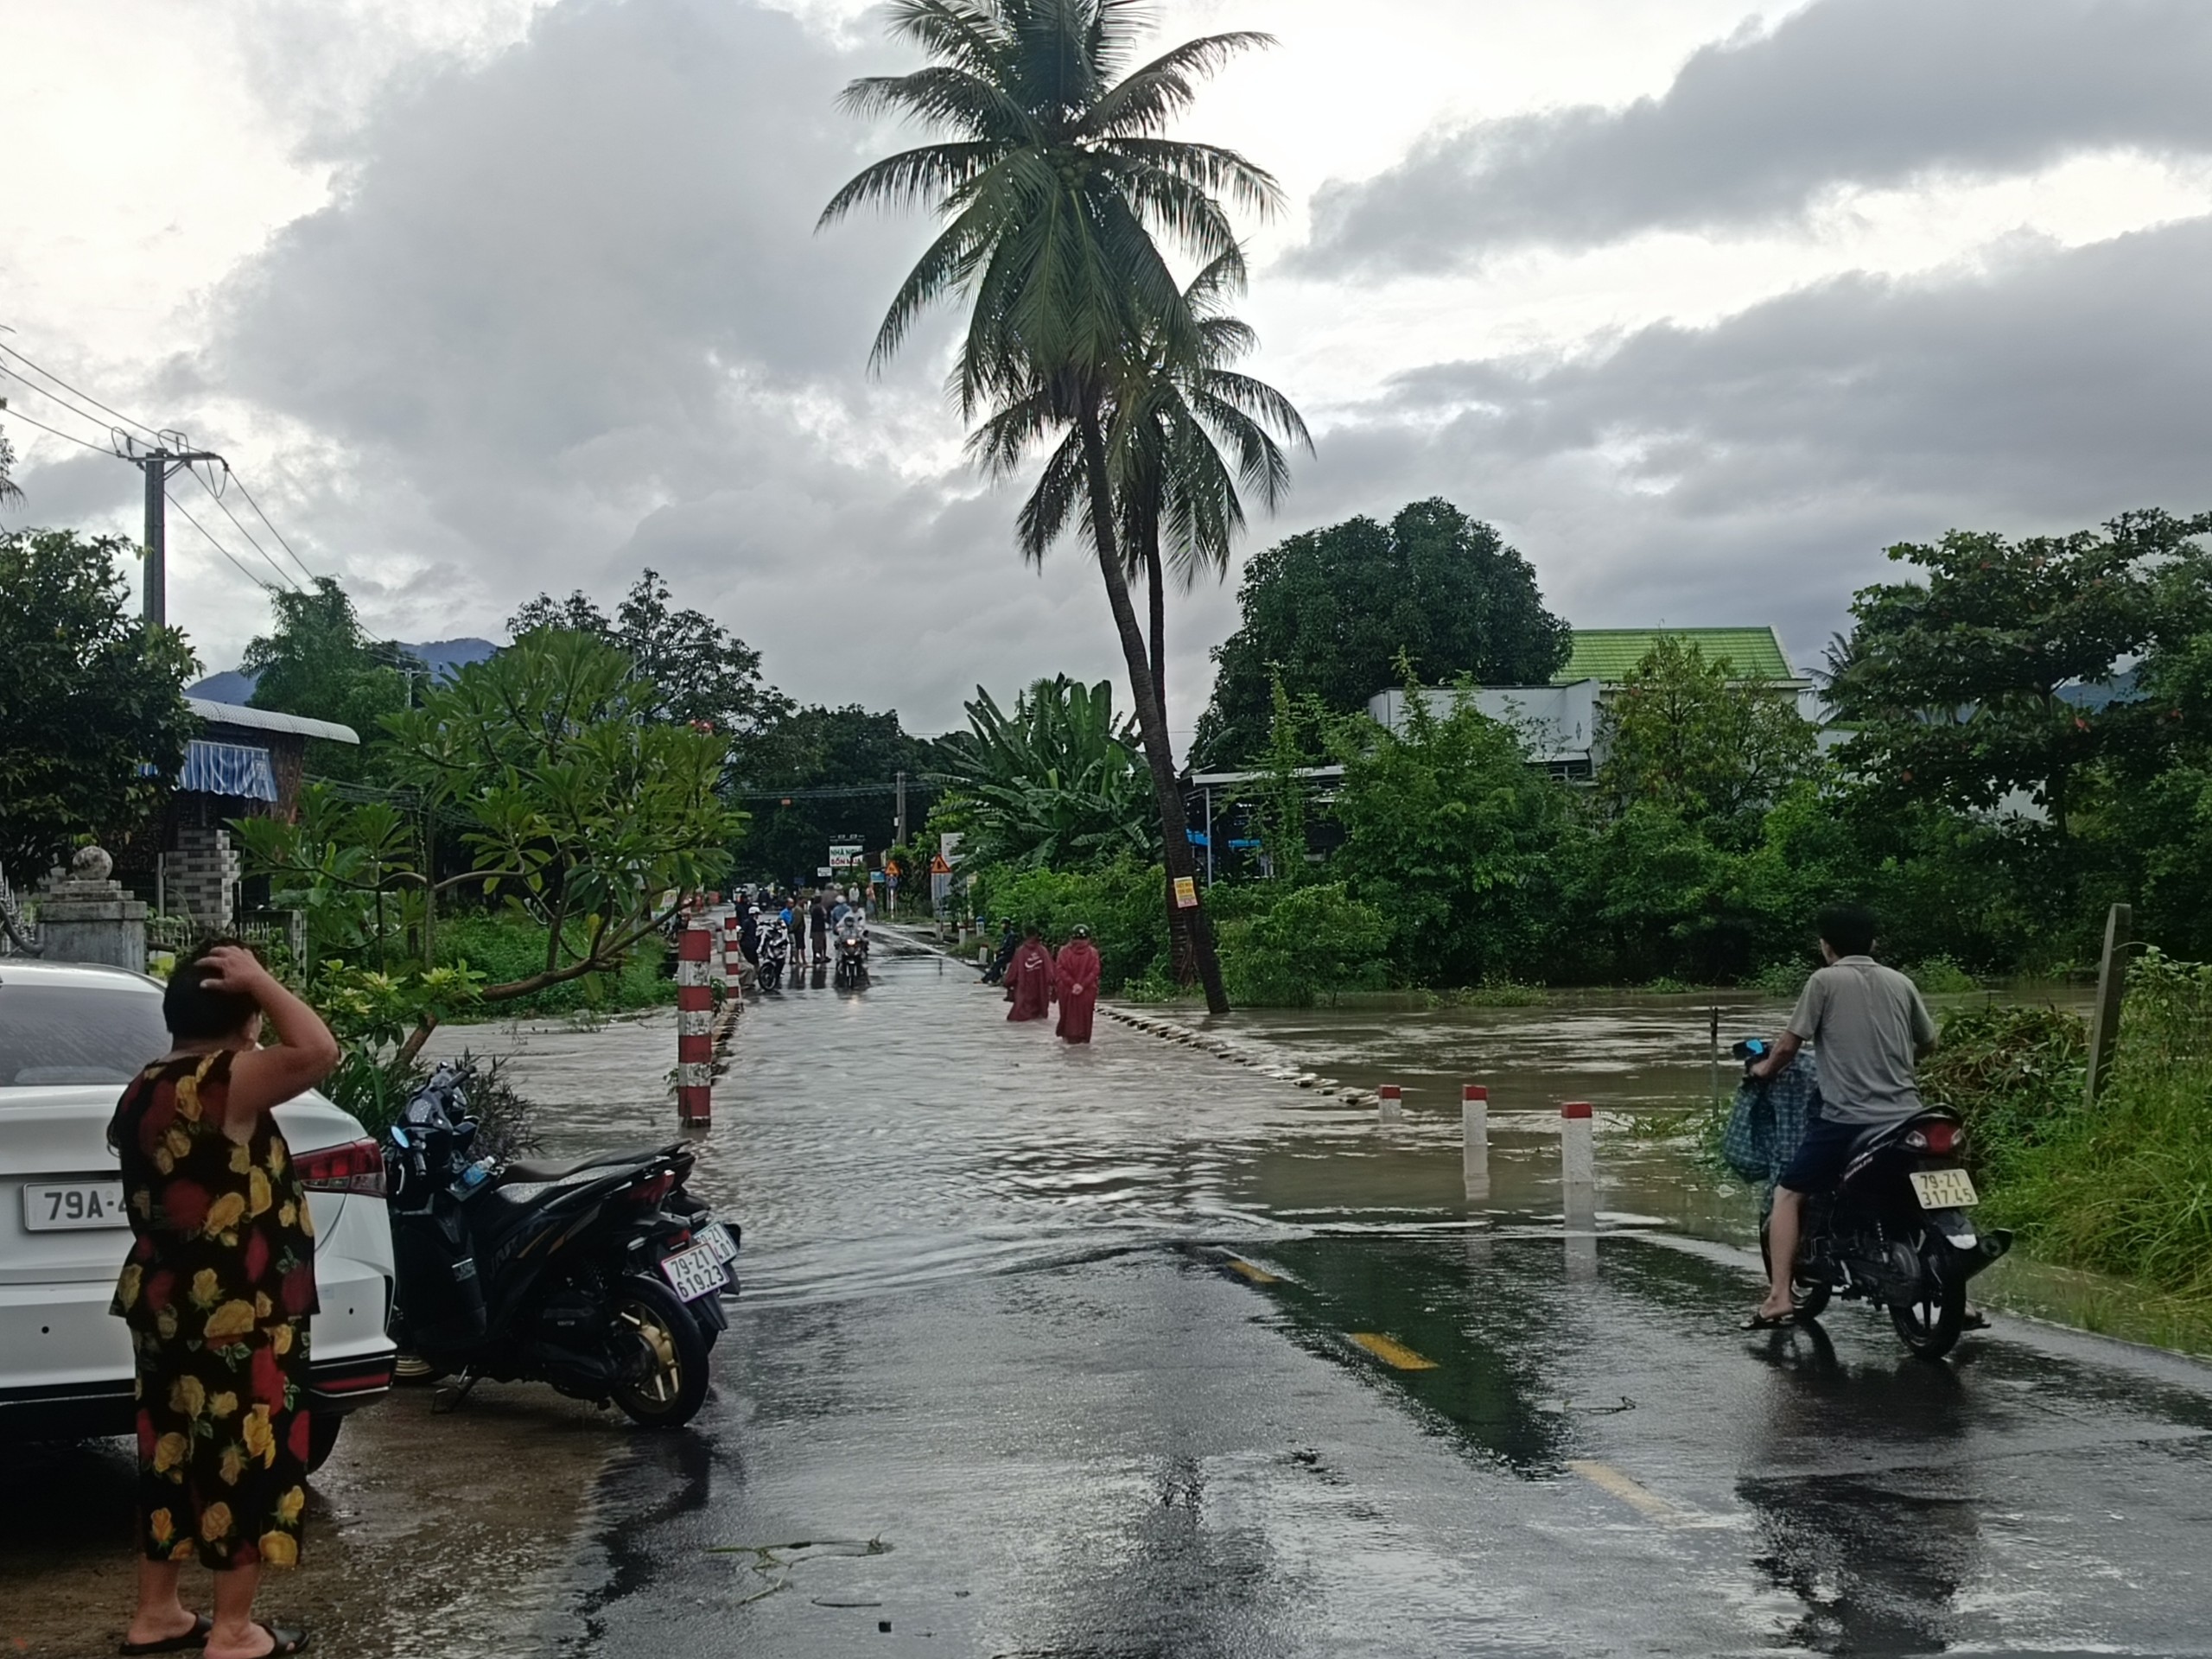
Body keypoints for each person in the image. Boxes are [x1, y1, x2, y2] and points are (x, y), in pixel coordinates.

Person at [111, 942, 339, 1659]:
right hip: (237, 1313)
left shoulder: (146, 1084)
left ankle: (159, 1614)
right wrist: (261, 982)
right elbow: (320, 1050)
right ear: (243, 1021)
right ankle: (235, 1632)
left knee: (171, 1454)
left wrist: (247, 995)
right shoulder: (228, 1078)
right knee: (243, 1456)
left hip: (165, 1305)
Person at [1746, 905, 1938, 1328]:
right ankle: (1963, 1301)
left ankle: (1779, 1295)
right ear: (1874, 943)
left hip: (1847, 1119)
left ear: (1825, 945)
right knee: (1926, 1194)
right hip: (1910, 1117)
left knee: (1788, 1193)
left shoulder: (1824, 981)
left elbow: (1786, 1048)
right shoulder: (1901, 982)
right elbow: (1928, 1042)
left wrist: (1761, 1070)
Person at [1054, 924, 1101, 1044]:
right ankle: (1083, 1041)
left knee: (1067, 1017)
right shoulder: (1093, 953)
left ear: (1072, 938)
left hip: (1067, 991)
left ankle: (1068, 1040)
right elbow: (1095, 971)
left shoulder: (1063, 952)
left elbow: (1060, 969)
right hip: (1087, 991)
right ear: (1088, 938)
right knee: (1085, 1019)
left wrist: (1072, 984)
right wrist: (1082, 985)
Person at [1005, 924, 1056, 1022]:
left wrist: (1008, 982)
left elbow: (1013, 971)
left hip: (1024, 988)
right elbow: (1051, 971)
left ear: (1025, 935)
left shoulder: (1020, 952)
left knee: (1020, 1013)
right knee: (1039, 1015)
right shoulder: (1043, 951)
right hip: (1041, 989)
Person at [982, 918, 1019, 986]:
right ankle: (987, 978)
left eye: (1003, 924)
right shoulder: (1006, 935)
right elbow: (1003, 946)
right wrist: (999, 950)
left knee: (998, 962)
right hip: (1004, 954)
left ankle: (994, 979)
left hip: (1009, 955)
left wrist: (1002, 952)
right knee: (995, 963)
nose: (1002, 926)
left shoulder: (1011, 935)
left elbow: (1010, 948)